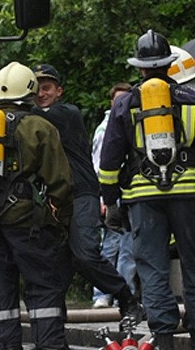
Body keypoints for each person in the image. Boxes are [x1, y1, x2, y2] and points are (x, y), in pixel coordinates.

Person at [0, 61, 73, 350]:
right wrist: (59, 224)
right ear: (30, 91)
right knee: (43, 289)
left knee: (1, 296)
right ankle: (49, 346)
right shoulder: (40, 128)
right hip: (29, 225)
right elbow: (60, 182)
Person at [99, 30, 195, 350]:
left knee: (152, 269)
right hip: (189, 195)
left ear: (140, 67)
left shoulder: (125, 103)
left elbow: (110, 159)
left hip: (143, 198)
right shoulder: (191, 98)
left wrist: (111, 201)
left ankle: (164, 338)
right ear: (169, 64)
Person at [31, 64, 144, 328]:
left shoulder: (65, 114)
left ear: (59, 91)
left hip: (81, 193)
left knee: (84, 254)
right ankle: (52, 333)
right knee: (55, 265)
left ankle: (126, 298)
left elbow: (29, 119)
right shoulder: (33, 119)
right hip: (53, 198)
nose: (41, 94)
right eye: (36, 89)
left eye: (46, 88)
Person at [91, 83, 137, 309]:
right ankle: (103, 294)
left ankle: (124, 295)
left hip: (127, 192)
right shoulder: (105, 129)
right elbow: (98, 164)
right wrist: (102, 198)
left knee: (127, 250)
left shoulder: (129, 122)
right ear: (111, 102)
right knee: (110, 248)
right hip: (112, 194)